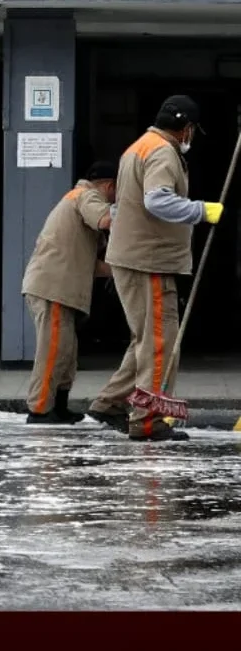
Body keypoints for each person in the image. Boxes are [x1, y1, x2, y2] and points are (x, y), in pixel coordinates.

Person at [87, 94, 221, 442]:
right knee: (160, 341)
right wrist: (201, 211)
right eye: (192, 130)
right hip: (151, 261)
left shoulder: (137, 147)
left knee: (145, 339)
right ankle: (149, 419)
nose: (191, 137)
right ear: (186, 128)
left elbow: (124, 207)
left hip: (131, 257)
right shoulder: (162, 151)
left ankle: (111, 403)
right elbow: (156, 199)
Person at [21, 161, 117, 424]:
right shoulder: (86, 196)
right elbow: (106, 219)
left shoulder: (77, 200)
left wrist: (122, 269)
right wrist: (134, 210)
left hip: (59, 288)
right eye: (118, 191)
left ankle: (59, 407)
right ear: (109, 186)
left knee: (66, 352)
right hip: (52, 288)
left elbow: (90, 264)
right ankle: (39, 410)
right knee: (52, 351)